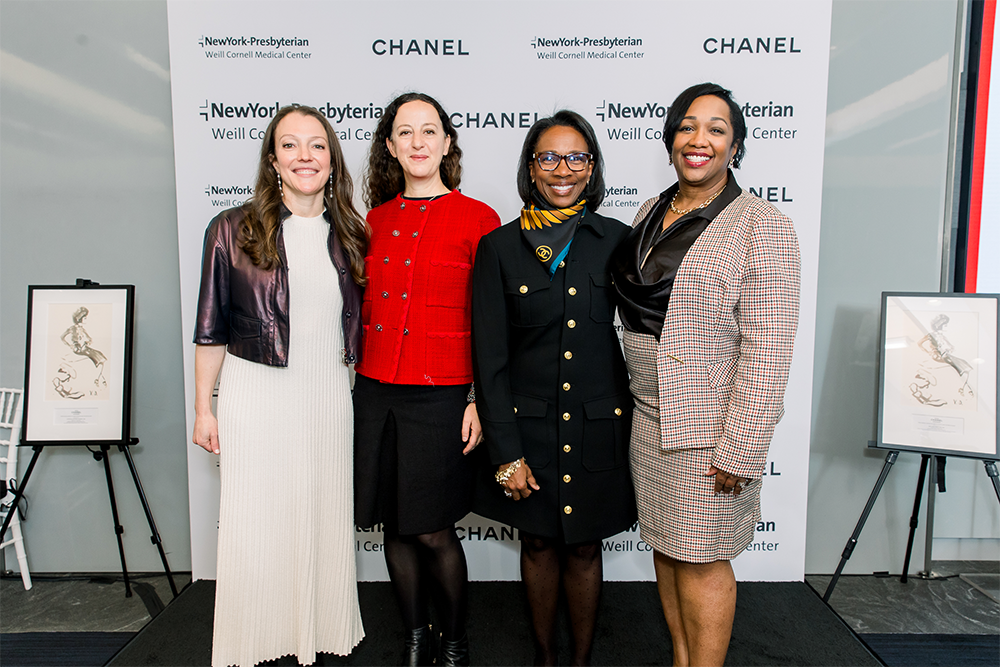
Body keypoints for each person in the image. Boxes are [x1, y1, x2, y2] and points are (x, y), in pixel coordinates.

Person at [610, 83, 800, 667]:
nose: (700, 140)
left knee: (702, 559)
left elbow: (769, 352)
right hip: (650, 417)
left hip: (712, 430)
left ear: (734, 147)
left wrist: (741, 447)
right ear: (671, 138)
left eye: (717, 130)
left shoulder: (762, 226)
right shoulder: (651, 209)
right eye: (688, 126)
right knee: (668, 550)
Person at [192, 104, 368, 667]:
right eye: (289, 145)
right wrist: (203, 409)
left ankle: (318, 631)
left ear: (332, 159)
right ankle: (257, 639)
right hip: (256, 393)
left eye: (317, 145)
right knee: (258, 522)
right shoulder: (231, 228)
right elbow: (210, 329)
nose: (304, 156)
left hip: (328, 395)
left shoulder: (352, 233)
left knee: (321, 515)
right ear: (272, 160)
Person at [472, 110, 636, 667]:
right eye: (549, 157)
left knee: (586, 547)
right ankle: (545, 659)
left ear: (591, 168)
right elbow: (490, 361)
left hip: (597, 428)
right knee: (539, 543)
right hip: (529, 430)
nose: (562, 169)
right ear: (531, 168)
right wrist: (506, 453)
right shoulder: (499, 248)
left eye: (576, 157)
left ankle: (581, 663)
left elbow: (652, 333)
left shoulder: (618, 241)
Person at [353, 92, 500, 667]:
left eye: (429, 130)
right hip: (376, 392)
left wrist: (477, 398)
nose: (418, 142)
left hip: (443, 397)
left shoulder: (479, 218)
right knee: (394, 526)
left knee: (433, 529)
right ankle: (417, 637)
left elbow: (490, 321)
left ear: (446, 142)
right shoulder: (374, 221)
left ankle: (455, 643)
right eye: (405, 132)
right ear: (390, 147)